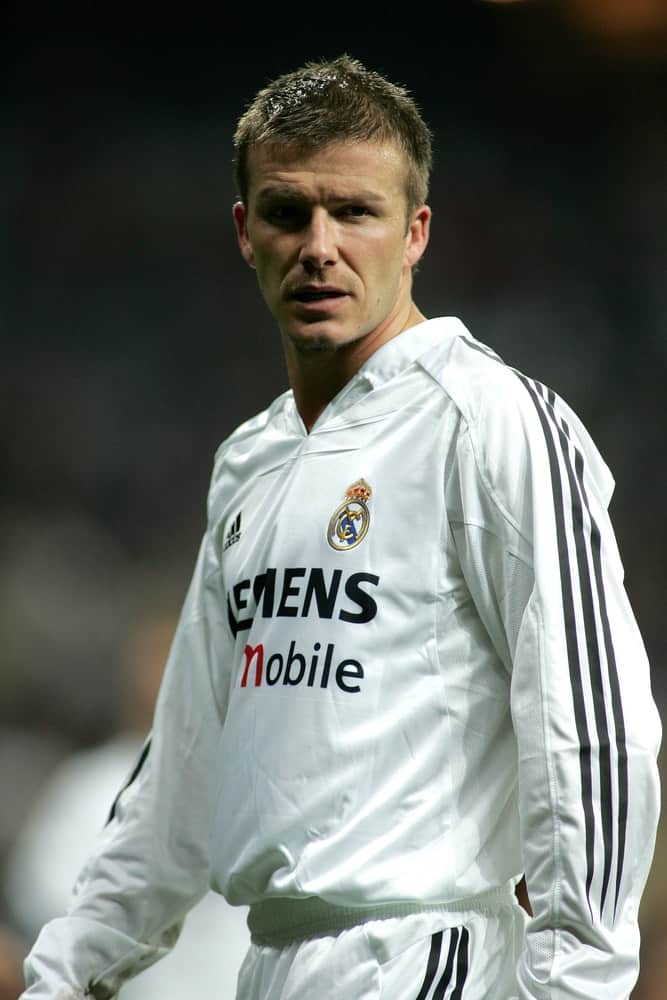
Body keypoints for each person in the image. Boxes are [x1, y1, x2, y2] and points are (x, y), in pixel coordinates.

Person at [21, 54, 661, 999]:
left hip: (422, 959)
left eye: (355, 212)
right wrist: (67, 976)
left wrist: (575, 985)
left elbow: (594, 732)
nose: (319, 244)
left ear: (416, 233)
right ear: (245, 231)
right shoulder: (250, 462)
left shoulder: (486, 419)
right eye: (288, 211)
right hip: (269, 965)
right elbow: (180, 775)